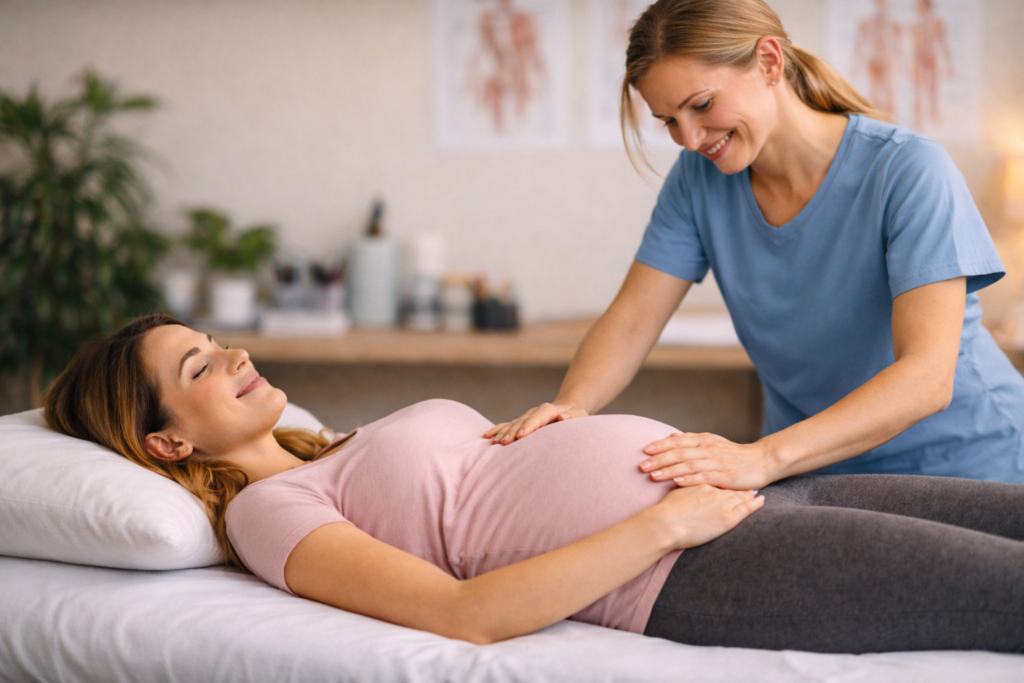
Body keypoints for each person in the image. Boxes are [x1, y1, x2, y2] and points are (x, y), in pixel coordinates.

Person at [44, 314, 1024, 652]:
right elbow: (464, 613)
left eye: (217, 342)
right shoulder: (266, 510)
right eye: (200, 367)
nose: (234, 354)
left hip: (735, 489)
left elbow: (475, 483)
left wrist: (543, 424)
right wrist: (666, 527)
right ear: (166, 442)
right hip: (696, 560)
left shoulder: (324, 447)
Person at [486, 0, 1024, 487]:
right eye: (669, 121)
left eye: (701, 104)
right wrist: (572, 405)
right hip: (818, 471)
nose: (691, 139)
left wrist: (762, 458)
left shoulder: (907, 170)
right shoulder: (697, 182)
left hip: (967, 465)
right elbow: (631, 320)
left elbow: (927, 377)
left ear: (770, 62)